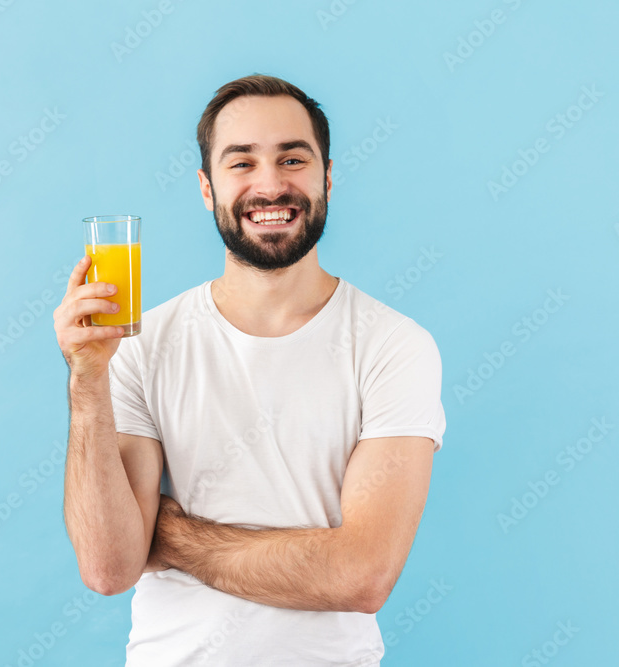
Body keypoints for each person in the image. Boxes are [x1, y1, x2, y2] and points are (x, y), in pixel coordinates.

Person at [53, 74, 446, 666]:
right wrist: (87, 381)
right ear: (207, 189)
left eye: (293, 158)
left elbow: (362, 576)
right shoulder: (138, 344)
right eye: (242, 163)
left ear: (328, 178)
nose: (270, 185)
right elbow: (109, 567)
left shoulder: (394, 346)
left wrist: (169, 534)